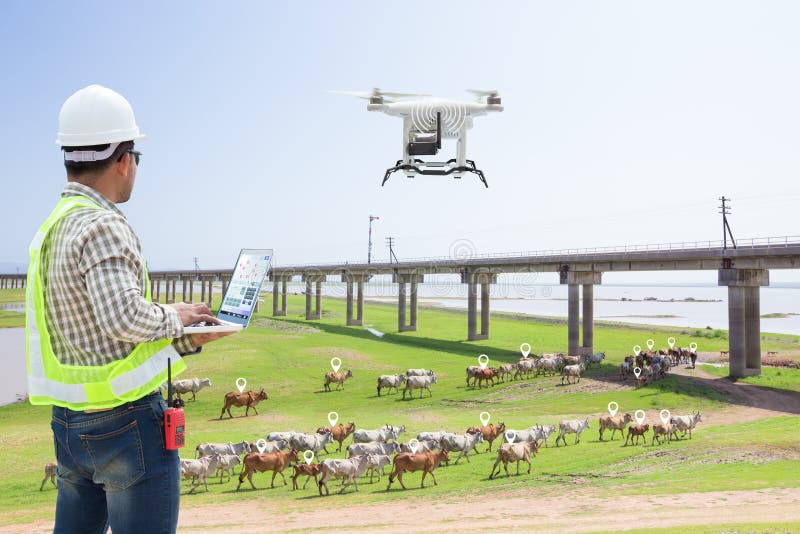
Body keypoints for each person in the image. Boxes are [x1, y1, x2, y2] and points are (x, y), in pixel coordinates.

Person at [26, 84, 234, 534]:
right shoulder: (103, 225)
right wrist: (177, 319)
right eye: (136, 158)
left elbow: (97, 331)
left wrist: (183, 331)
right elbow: (121, 318)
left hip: (68, 424)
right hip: (125, 428)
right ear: (123, 159)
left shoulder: (53, 227)